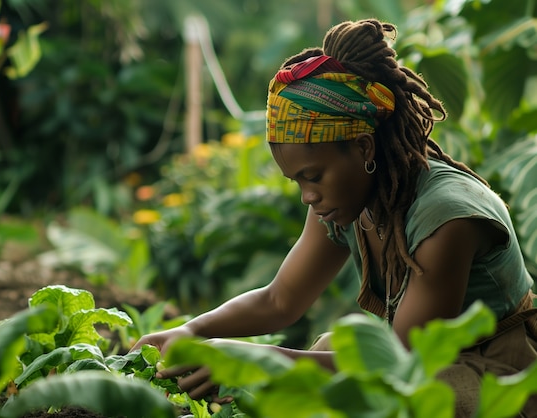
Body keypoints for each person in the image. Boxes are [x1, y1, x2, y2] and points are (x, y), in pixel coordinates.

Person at [132, 19, 537, 417]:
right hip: (432, 369)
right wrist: (192, 332)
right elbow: (280, 300)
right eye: (296, 182)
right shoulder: (348, 199)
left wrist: (250, 362)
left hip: (503, 378)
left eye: (313, 177)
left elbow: (402, 367)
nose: (308, 196)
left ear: (363, 149)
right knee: (328, 354)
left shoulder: (447, 219)